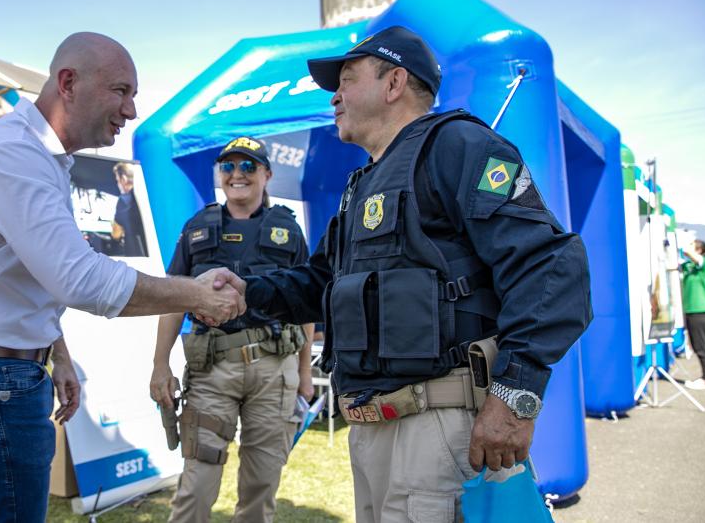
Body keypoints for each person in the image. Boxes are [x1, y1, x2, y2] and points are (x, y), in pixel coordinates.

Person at [213, 26, 592, 522]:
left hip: (437, 431)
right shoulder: (361, 185)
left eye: (347, 81)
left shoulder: (455, 145)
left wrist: (514, 395)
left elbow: (552, 267)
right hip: (373, 432)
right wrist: (246, 292)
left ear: (394, 83)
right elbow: (319, 283)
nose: (334, 97)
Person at [0, 32, 246, 523]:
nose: (131, 111)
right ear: (68, 83)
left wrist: (57, 353)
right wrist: (195, 293)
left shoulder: (38, 158)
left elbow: (31, 276)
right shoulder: (12, 154)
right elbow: (79, 279)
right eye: (121, 91)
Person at [150, 136, 314, 522]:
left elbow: (305, 303)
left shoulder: (288, 230)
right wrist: (159, 364)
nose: (237, 174)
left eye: (248, 166)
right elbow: (173, 298)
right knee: (197, 484)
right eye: (228, 166)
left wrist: (305, 372)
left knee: (261, 487)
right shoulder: (197, 228)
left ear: (266, 174)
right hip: (212, 370)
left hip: (274, 371)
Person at [682, 239, 705, 390]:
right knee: (695, 345)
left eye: (692, 244)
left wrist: (685, 246)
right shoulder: (688, 265)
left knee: (701, 346)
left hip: (700, 311)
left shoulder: (703, 263)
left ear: (698, 250)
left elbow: (688, 252)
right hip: (690, 311)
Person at [111, 161, 147, 256]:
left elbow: (116, 234)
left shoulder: (123, 202)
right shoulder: (146, 194)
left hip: (136, 255)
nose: (118, 184)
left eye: (118, 181)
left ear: (124, 179)